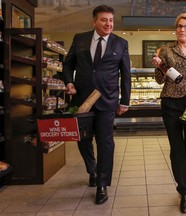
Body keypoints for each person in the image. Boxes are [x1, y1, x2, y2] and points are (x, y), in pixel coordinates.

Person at [63, 5, 131, 205]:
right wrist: (68, 82)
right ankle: (91, 170)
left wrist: (125, 101)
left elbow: (125, 75)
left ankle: (102, 184)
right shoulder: (80, 38)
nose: (108, 24)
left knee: (105, 141)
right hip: (81, 100)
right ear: (94, 21)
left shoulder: (121, 43)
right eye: (104, 20)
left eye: (111, 20)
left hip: (107, 100)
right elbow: (68, 64)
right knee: (83, 140)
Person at [151, 13, 186, 213]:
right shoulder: (166, 50)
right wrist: (158, 66)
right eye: (179, 26)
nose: (181, 30)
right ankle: (184, 190)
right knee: (177, 147)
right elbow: (159, 80)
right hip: (171, 103)